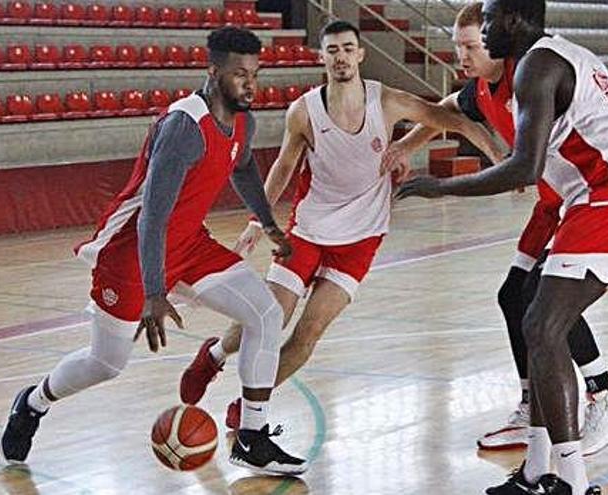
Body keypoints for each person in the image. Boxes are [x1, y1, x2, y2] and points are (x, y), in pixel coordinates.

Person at [396, 1, 608, 493]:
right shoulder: (553, 59)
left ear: (512, 22)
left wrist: (439, 188)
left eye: (483, 28)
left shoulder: (537, 65)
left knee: (542, 325)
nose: (479, 39)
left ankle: (573, 468)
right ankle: (536, 470)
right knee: (529, 309)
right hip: (598, 193)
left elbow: (524, 169)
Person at [0, 26, 307, 476]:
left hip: (188, 244)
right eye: (240, 74)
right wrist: (154, 291)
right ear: (212, 70)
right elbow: (151, 218)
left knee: (265, 313)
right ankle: (32, 402)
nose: (250, 84)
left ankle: (252, 437)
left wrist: (268, 223)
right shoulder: (185, 127)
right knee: (106, 363)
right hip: (132, 254)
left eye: (255, 74)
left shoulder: (243, 119)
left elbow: (240, 168)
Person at [177, 19, 506, 431]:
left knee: (308, 334)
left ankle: (251, 405)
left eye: (348, 49)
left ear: (361, 54)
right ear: (322, 57)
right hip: (309, 231)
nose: (341, 57)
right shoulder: (305, 111)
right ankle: (214, 357)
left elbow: (452, 119)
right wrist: (256, 222)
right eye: (332, 50)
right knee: (267, 315)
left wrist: (499, 155)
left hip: (361, 239)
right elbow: (283, 167)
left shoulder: (385, 101)